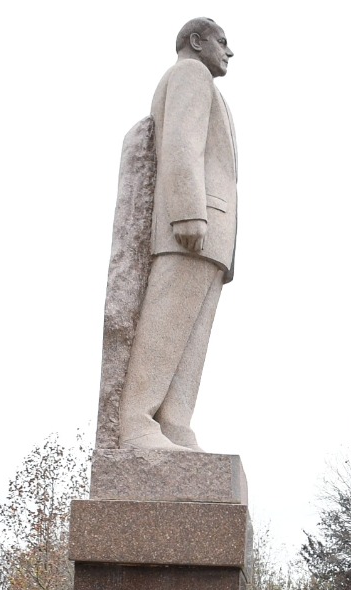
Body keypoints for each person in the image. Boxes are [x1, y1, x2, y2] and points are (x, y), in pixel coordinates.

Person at [115, 18, 238, 451]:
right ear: (196, 41)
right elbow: (183, 143)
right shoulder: (190, 74)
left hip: (213, 236)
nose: (230, 51)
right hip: (191, 226)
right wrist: (189, 211)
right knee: (166, 325)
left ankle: (173, 424)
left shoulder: (207, 85)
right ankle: (136, 422)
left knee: (191, 336)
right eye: (223, 42)